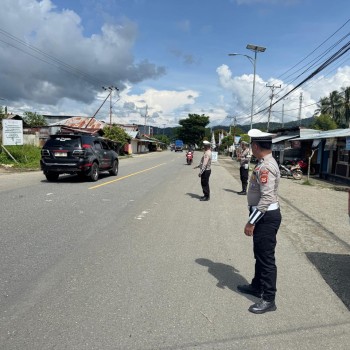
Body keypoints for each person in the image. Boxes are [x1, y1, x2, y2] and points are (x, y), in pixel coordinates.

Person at [237, 129, 282, 314]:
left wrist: (251, 222)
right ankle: (257, 286)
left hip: (265, 217)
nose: (251, 148)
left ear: (255, 146)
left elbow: (266, 198)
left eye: (251, 145)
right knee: (260, 254)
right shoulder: (264, 162)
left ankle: (269, 299)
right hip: (263, 216)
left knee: (266, 259)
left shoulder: (265, 167)